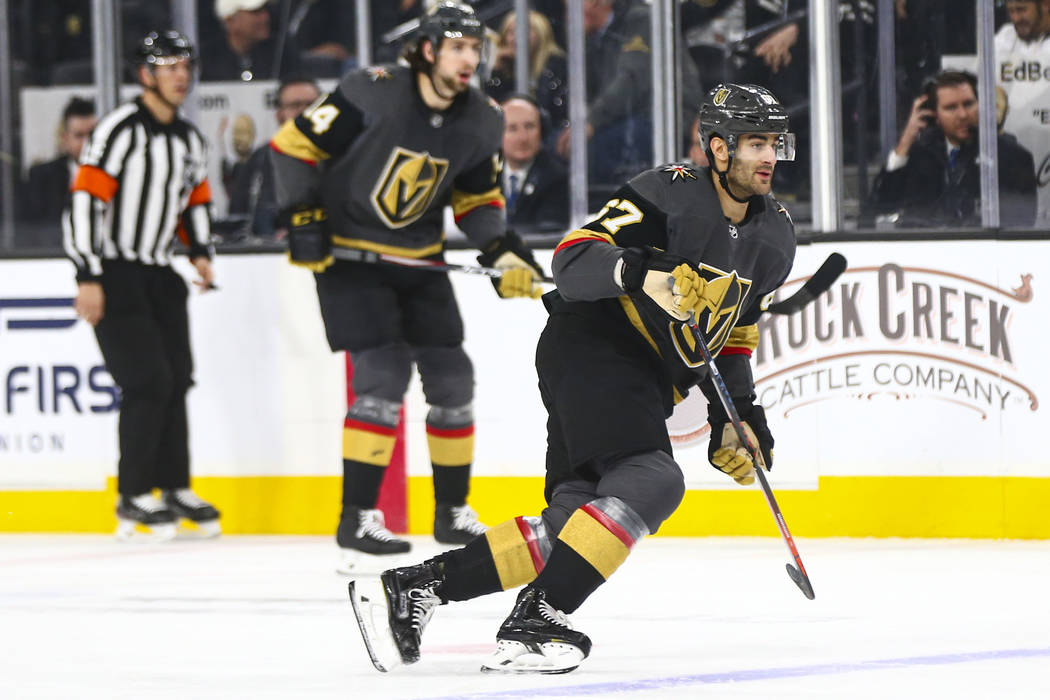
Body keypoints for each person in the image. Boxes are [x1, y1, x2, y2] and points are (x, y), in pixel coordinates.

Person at [349, 83, 797, 674]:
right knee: (653, 479)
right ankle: (538, 617)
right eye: (753, 143)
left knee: (572, 523)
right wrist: (643, 273)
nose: (768, 156)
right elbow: (572, 257)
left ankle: (416, 587)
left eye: (774, 143)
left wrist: (736, 420)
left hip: (640, 378)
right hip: (595, 346)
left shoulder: (776, 237)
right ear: (717, 148)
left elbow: (734, 336)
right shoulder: (667, 194)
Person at [269, 2, 545, 573]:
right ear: (427, 49)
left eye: (476, 48)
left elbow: (477, 200)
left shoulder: (483, 120)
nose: (471, 58)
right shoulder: (369, 91)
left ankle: (451, 512)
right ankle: (357, 518)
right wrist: (303, 218)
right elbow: (294, 147)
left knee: (452, 377)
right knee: (383, 374)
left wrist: (505, 250)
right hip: (352, 259)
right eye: (459, 47)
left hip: (419, 260)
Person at [64, 30, 221, 541]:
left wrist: (199, 252)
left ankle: (174, 486)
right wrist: (88, 274)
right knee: (148, 380)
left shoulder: (189, 138)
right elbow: (86, 199)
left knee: (176, 379)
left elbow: (194, 200)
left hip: (159, 272)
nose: (181, 74)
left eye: (185, 65)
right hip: (115, 271)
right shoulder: (119, 129)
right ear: (145, 74)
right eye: (169, 65)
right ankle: (133, 495)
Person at [554, 0, 703, 184]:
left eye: (572, 7)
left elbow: (631, 81)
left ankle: (602, 206)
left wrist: (592, 122)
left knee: (592, 148)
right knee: (554, 144)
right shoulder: (594, 37)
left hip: (665, 119)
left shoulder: (640, 19)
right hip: (621, 118)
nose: (568, 16)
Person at [870, 69, 1037, 228]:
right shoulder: (918, 155)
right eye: (951, 108)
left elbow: (1019, 224)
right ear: (933, 114)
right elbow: (879, 207)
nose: (963, 115)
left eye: (968, 104)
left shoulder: (1013, 157)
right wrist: (905, 142)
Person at [228, 77, 321, 239]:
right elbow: (238, 219)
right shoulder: (259, 161)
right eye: (295, 105)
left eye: (312, 104)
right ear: (279, 115)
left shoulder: (342, 156)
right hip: (269, 255)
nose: (305, 112)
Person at [995, 0, 1050, 225]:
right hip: (1020, 150)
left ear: (1045, 5)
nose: (1016, 18)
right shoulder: (1005, 39)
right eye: (1011, 11)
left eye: (1022, 10)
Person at [21, 97, 96, 247]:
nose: (87, 143)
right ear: (65, 138)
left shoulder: (113, 174)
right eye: (79, 136)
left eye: (92, 135)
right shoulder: (41, 177)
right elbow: (34, 229)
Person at [485, 11, 568, 130]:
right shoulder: (507, 68)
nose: (517, 38)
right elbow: (495, 108)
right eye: (511, 32)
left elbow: (553, 109)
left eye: (525, 30)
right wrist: (499, 71)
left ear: (541, 34)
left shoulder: (556, 63)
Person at [500, 95, 569, 231]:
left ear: (541, 131)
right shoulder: (481, 176)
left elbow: (547, 232)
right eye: (512, 129)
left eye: (529, 126)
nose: (523, 138)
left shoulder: (557, 177)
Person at [200, 0, 299, 81]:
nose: (265, 18)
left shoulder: (281, 52)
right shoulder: (207, 59)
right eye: (255, 12)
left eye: (265, 10)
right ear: (230, 21)